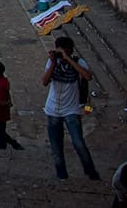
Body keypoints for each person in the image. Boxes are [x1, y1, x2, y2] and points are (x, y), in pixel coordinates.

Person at [42, 35, 100, 180]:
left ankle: (91, 172)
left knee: (79, 143)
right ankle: (62, 175)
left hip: (71, 109)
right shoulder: (51, 62)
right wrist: (54, 62)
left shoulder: (78, 62)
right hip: (52, 109)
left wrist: (68, 59)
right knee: (56, 147)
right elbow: (44, 81)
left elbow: (88, 76)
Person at [0, 61, 23, 150]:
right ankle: (4, 145)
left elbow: (1, 101)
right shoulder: (2, 81)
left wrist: (7, 103)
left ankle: (11, 144)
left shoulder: (0, 84)